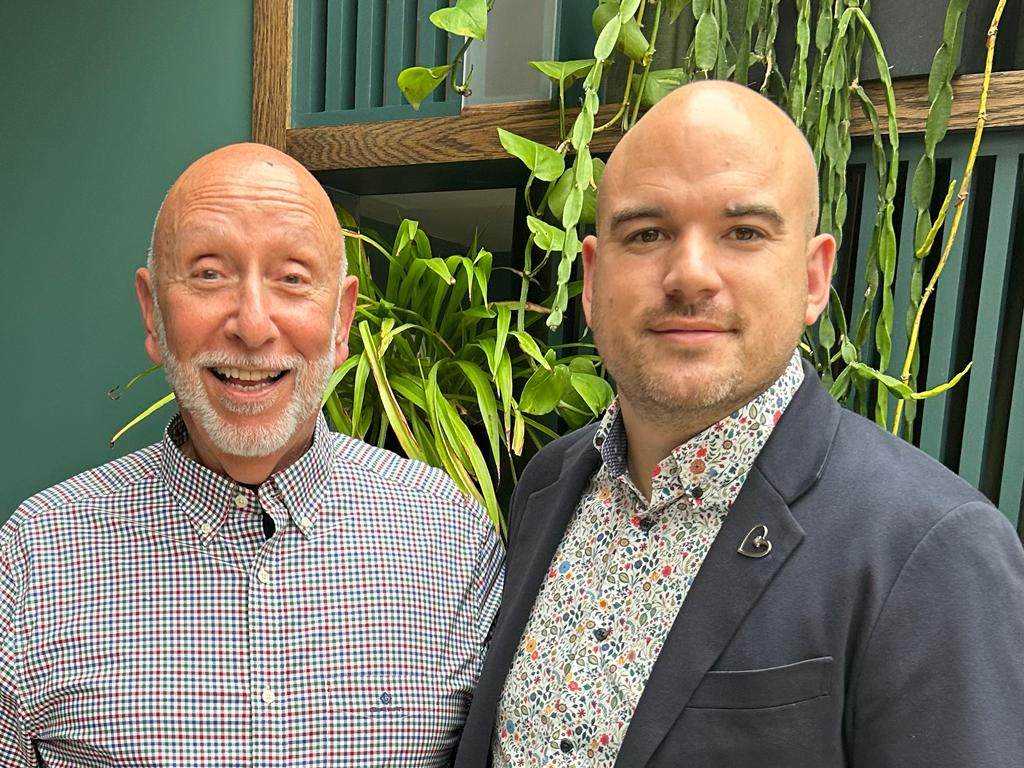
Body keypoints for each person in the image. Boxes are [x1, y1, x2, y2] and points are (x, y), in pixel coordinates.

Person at [454, 81, 1024, 768]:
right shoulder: (548, 484)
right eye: (648, 233)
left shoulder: (929, 550)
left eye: (744, 233)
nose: (690, 275)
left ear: (814, 279)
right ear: (593, 278)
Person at [0, 143, 503, 765]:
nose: (254, 324)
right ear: (153, 311)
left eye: (292, 278)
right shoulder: (35, 556)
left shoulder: (450, 537)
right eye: (209, 272)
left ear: (341, 320)